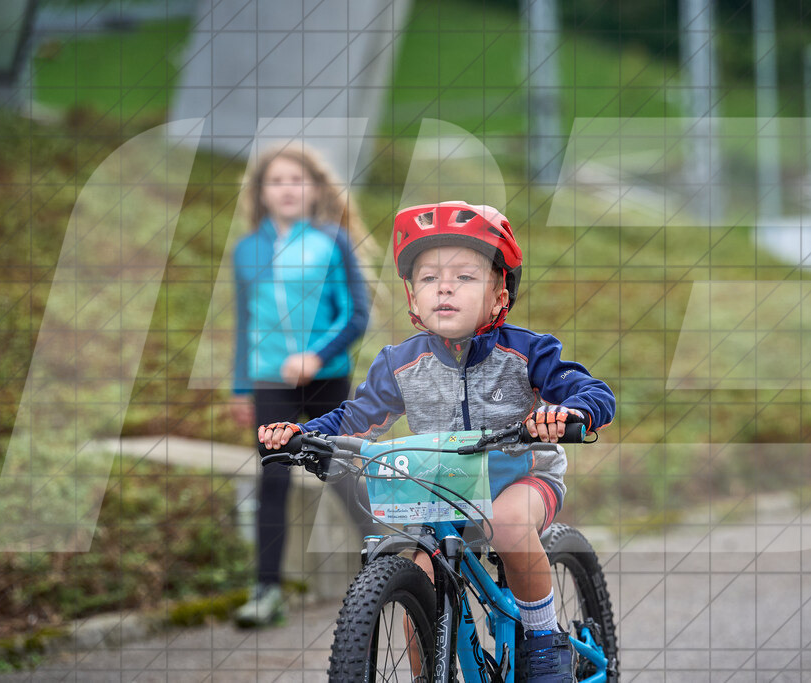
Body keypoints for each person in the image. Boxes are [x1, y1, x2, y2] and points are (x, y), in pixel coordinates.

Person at [260, 201, 615, 680]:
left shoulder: (529, 350)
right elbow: (355, 418)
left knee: (509, 523)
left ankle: (543, 641)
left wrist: (569, 412)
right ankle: (430, 671)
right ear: (412, 296)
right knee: (420, 576)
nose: (444, 286)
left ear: (498, 296)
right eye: (429, 278)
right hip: (444, 487)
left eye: (465, 277)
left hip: (522, 478)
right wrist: (304, 436)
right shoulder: (399, 363)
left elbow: (591, 391)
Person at [230, 144, 374, 628]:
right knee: (270, 476)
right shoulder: (246, 251)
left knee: (339, 471)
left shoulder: (333, 242)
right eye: (276, 180)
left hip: (326, 378)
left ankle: (391, 558)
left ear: (313, 189)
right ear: (262, 193)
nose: (287, 188)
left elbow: (356, 314)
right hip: (269, 379)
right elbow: (244, 323)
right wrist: (240, 388)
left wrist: (317, 355)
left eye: (296, 179)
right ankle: (266, 590)